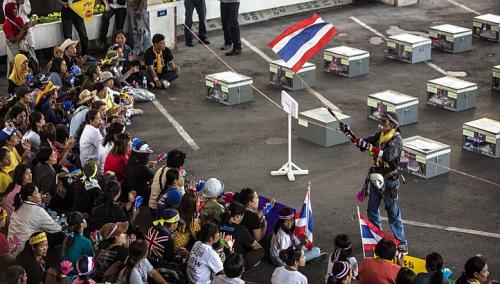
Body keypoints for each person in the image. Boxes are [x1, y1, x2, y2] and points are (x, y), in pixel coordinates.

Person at [340, 111, 408, 253]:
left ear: (392, 124)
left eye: (384, 122)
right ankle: (377, 237)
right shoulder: (380, 135)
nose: (381, 124)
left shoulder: (396, 139)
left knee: (393, 212)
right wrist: (348, 133)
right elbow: (361, 143)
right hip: (376, 178)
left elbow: (389, 156)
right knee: (372, 209)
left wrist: (371, 147)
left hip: (389, 180)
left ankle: (402, 242)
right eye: (382, 121)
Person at [8, 183, 62, 255]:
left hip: (12, 248)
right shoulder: (38, 211)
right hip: (24, 251)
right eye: (36, 193)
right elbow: (56, 229)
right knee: (60, 235)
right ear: (30, 198)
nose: (39, 194)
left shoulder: (18, 206)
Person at [219, 202, 264, 271]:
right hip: (234, 264)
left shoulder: (220, 224)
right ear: (238, 216)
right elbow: (257, 246)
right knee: (261, 251)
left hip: (220, 259)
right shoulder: (241, 230)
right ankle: (242, 268)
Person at [3, 2, 37, 70]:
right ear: (9, 10)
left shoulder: (19, 19)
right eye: (14, 9)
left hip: (22, 46)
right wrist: (23, 29)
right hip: (14, 48)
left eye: (17, 8)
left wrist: (27, 27)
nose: (16, 10)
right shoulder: (6, 24)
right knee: (18, 64)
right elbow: (13, 40)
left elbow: (24, 34)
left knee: (28, 62)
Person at [122, 140, 154, 204]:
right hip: (140, 197)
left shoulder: (130, 161)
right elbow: (154, 180)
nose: (148, 157)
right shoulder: (143, 169)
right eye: (147, 155)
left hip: (128, 192)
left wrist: (147, 164)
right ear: (144, 156)